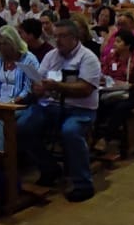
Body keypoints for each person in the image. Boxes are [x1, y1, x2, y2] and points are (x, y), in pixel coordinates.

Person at [16, 21, 102, 202]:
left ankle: (83, 184)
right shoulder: (51, 56)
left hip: (79, 109)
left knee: (71, 131)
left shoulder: (88, 58)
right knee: (22, 126)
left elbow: (85, 88)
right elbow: (38, 80)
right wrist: (37, 88)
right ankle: (49, 167)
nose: (58, 40)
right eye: (55, 36)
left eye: (62, 36)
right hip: (50, 105)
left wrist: (57, 86)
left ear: (74, 37)